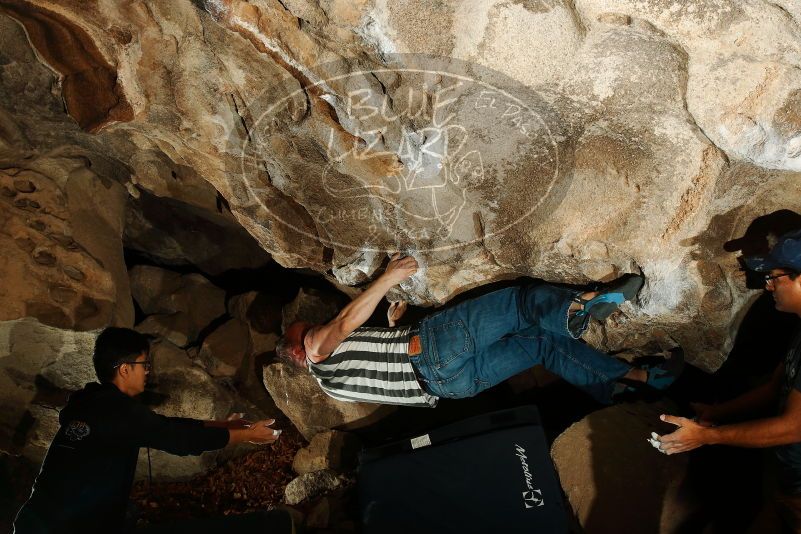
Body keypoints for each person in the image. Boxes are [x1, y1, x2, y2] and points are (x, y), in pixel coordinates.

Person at [276, 253, 683, 408]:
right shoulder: (313, 348)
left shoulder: (331, 387)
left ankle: (635, 380)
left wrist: (392, 329)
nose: (316, 329)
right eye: (309, 329)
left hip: (450, 387)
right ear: (300, 349)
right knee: (520, 303)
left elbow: (381, 373)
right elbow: (345, 323)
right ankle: (576, 309)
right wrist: (387, 276)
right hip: (431, 350)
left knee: (541, 344)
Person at [13, 327, 283, 534]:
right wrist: (244, 435)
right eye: (144, 365)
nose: (148, 373)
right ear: (125, 369)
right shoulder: (117, 411)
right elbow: (178, 439)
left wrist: (224, 426)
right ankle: (280, 526)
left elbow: (161, 427)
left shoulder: (93, 405)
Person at [653, 229, 801, 532]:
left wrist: (707, 436)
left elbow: (793, 427)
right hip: (788, 483)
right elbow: (776, 388)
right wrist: (717, 413)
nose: (767, 286)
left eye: (774, 277)